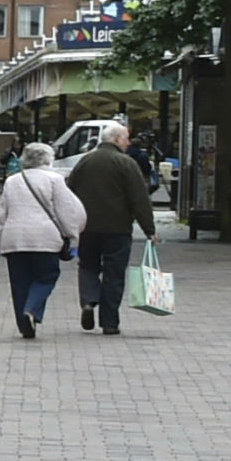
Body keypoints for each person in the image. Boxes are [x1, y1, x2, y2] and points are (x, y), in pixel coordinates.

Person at [67, 122, 156, 334]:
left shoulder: (85, 161)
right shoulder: (126, 163)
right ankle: (109, 322)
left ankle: (88, 300)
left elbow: (69, 191)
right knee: (113, 274)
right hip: (118, 228)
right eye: (125, 138)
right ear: (116, 139)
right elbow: (139, 198)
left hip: (86, 226)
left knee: (88, 265)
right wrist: (149, 229)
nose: (128, 142)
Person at [0, 142, 86, 339]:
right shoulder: (55, 179)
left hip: (14, 239)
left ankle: (24, 324)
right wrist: (74, 238)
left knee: (19, 284)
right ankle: (32, 310)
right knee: (47, 276)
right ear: (47, 159)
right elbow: (66, 211)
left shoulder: (12, 181)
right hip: (45, 238)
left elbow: (1, 214)